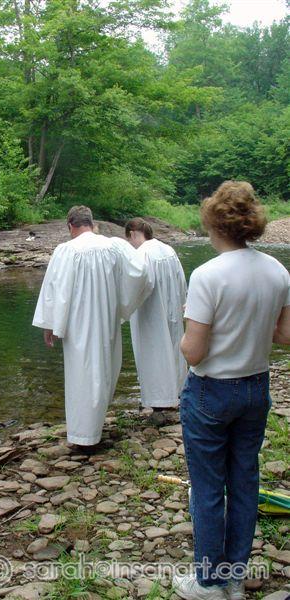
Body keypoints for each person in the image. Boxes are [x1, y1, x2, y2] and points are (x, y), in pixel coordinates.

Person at [172, 181, 290, 600]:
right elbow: (285, 336)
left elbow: (194, 353)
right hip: (256, 388)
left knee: (207, 489)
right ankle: (235, 578)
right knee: (244, 482)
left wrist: (187, 326)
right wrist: (248, 326)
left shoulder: (207, 275)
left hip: (211, 392)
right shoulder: (277, 271)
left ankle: (209, 583)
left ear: (213, 224)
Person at [33, 206, 154, 450]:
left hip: (76, 324)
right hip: (106, 318)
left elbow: (53, 289)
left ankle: (83, 436)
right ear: (92, 223)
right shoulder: (113, 246)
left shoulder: (65, 250)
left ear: (70, 226)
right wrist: (122, 305)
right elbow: (141, 273)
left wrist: (50, 324)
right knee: (104, 370)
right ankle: (93, 428)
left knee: (81, 374)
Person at [125, 218, 187, 425]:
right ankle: (178, 392)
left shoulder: (142, 254)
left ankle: (158, 402)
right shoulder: (168, 249)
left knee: (153, 352)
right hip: (172, 309)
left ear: (133, 234)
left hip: (151, 313)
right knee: (174, 348)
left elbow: (137, 287)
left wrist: (123, 309)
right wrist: (183, 301)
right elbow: (180, 279)